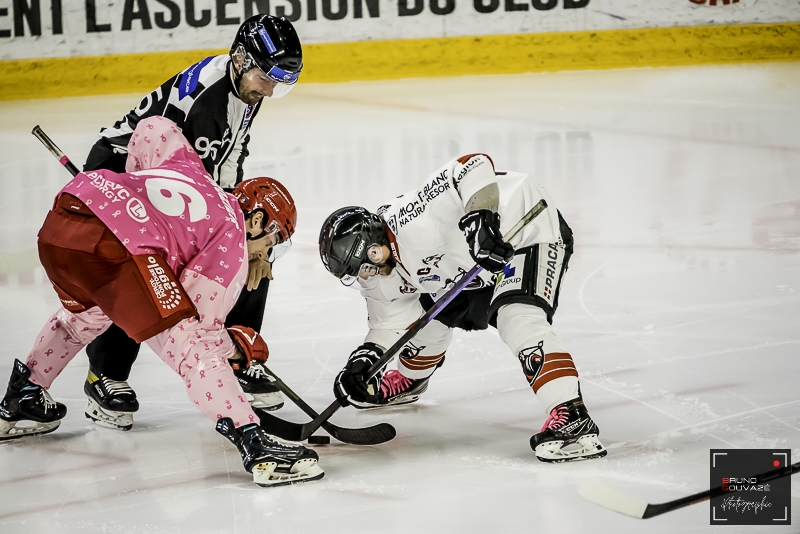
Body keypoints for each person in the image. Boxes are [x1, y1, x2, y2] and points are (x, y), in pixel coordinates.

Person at [0, 117, 323, 487]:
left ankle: (22, 396)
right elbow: (198, 333)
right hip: (114, 247)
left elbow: (153, 128)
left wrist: (137, 197)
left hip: (64, 222)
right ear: (257, 220)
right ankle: (256, 445)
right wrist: (235, 348)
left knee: (86, 315)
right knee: (195, 350)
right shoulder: (231, 234)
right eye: (273, 243)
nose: (265, 255)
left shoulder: (190, 169)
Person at [80, 14, 303, 430]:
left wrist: (244, 235)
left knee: (255, 254)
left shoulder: (243, 86)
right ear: (240, 58)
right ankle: (104, 375)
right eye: (266, 77)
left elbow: (229, 158)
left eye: (279, 82)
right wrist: (232, 235)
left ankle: (235, 357)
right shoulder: (207, 101)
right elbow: (189, 186)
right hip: (124, 178)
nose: (269, 90)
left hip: (170, 182)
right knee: (140, 275)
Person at [318, 153, 607, 463]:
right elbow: (390, 322)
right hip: (471, 266)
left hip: (525, 231)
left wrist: (481, 220)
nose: (366, 278)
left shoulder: (412, 218)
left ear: (373, 248)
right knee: (423, 317)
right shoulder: (379, 270)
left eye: (363, 268)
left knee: (517, 318)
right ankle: (411, 380)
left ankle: (572, 414)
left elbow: (473, 163)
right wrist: (363, 364)